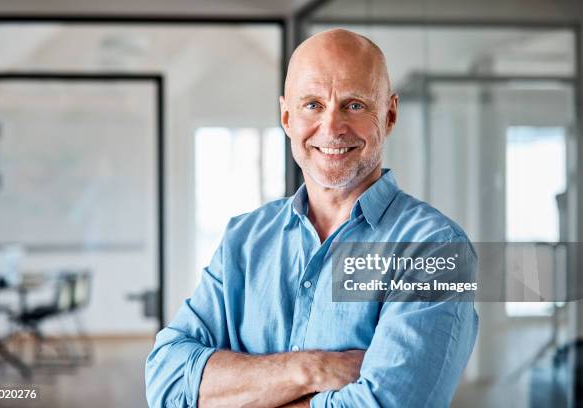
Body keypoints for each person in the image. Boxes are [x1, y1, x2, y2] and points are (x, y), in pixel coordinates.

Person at [146, 28, 478, 408]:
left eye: (354, 105)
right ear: (287, 117)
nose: (332, 127)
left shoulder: (436, 248)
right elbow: (166, 382)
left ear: (389, 115)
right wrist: (310, 370)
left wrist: (239, 394)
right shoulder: (245, 238)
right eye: (313, 105)